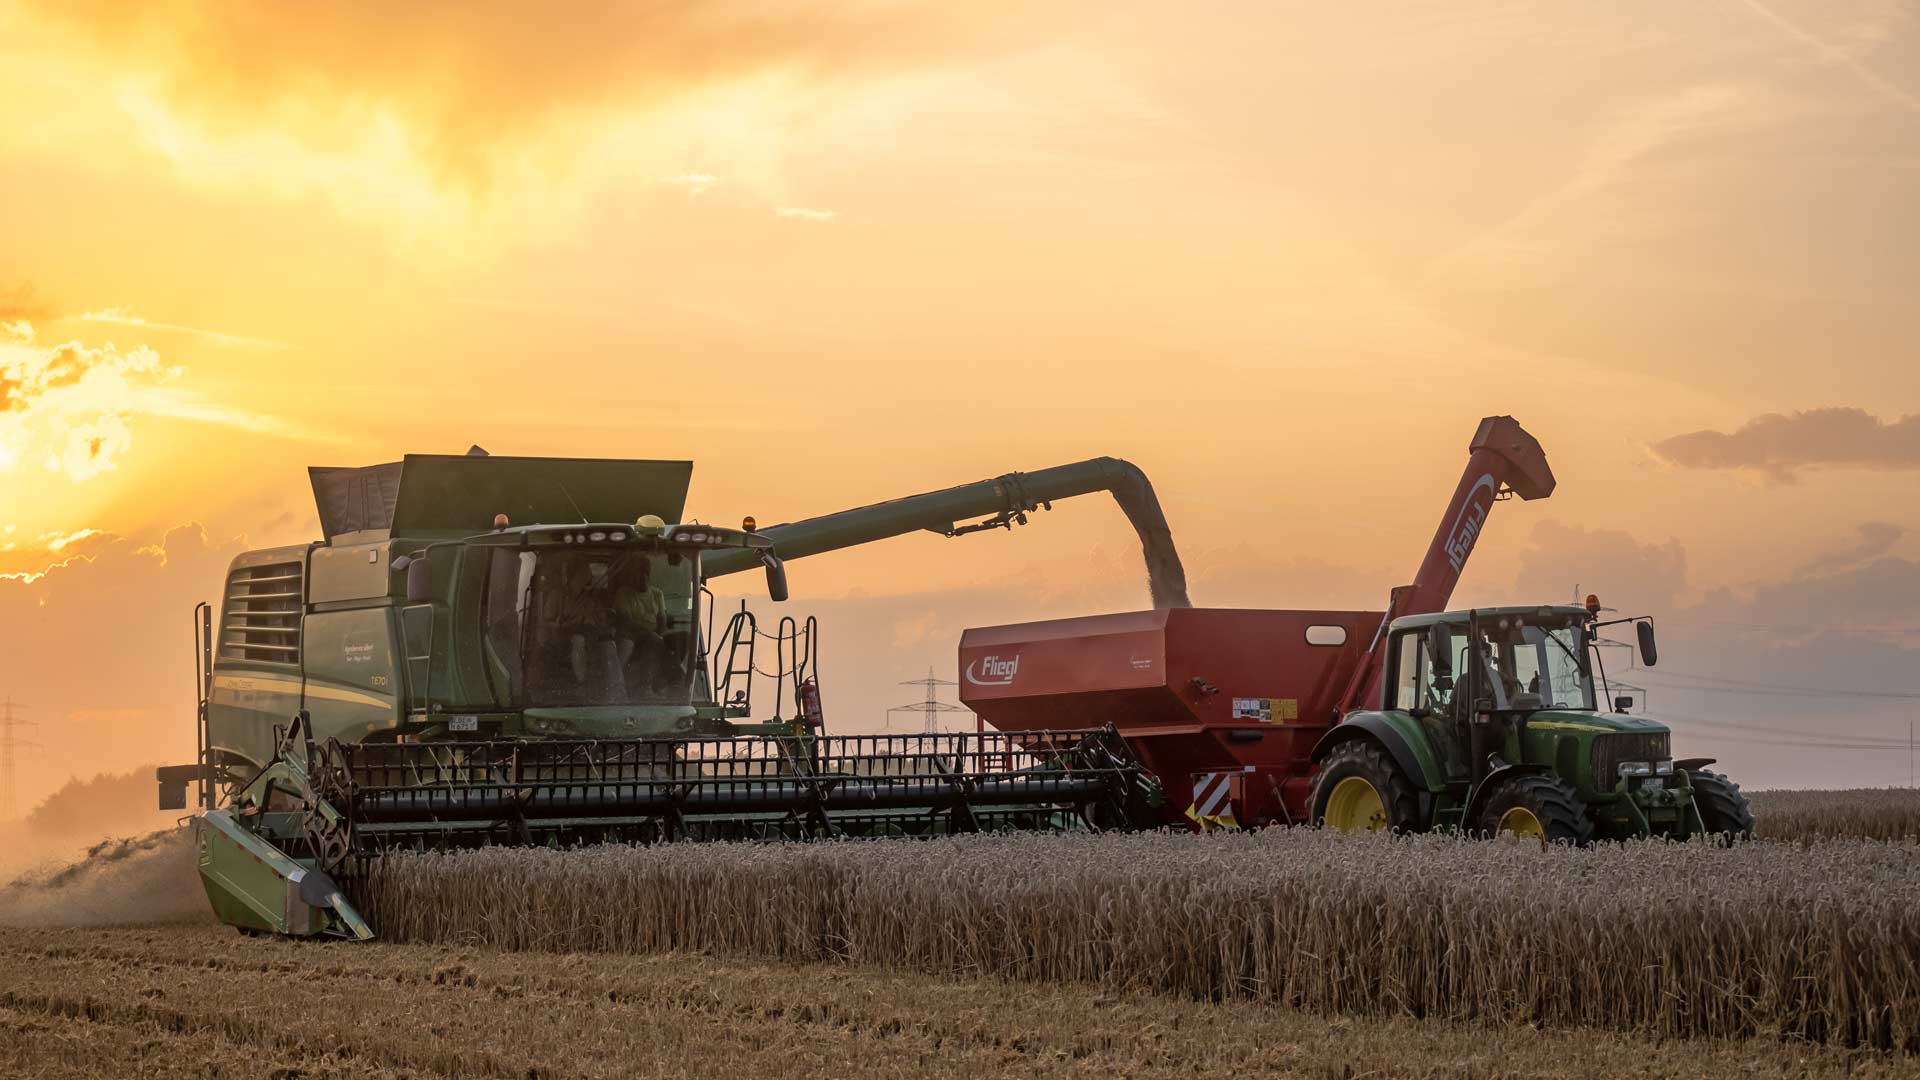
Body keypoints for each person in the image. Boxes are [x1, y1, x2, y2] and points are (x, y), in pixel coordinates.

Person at [615, 557, 668, 693]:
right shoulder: (623, 594)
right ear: (632, 575)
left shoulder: (657, 594)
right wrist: (652, 634)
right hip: (630, 635)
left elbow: (662, 620)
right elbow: (626, 621)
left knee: (683, 638)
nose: (643, 576)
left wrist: (659, 635)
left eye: (646, 572)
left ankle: (676, 686)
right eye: (639, 572)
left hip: (652, 636)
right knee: (653, 642)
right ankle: (647, 687)